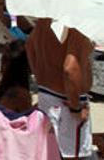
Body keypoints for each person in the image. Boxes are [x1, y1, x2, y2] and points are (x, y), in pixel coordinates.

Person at [27, 18, 95, 159]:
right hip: (67, 102)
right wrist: (75, 106)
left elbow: (29, 46)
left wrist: (41, 77)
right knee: (70, 156)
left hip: (46, 95)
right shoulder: (77, 25)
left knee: (47, 152)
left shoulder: (45, 21)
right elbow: (70, 68)